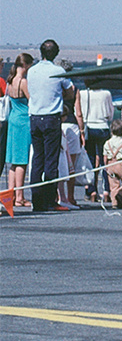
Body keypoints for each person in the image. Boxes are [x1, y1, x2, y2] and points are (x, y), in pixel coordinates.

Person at [28, 40, 75, 212]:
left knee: (37, 159)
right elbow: (70, 91)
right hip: (51, 118)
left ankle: (36, 200)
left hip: (35, 117)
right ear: (55, 53)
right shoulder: (58, 71)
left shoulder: (32, 71)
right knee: (51, 160)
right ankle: (49, 200)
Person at [6, 54, 33, 209]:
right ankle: (20, 197)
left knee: (13, 160)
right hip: (23, 120)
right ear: (26, 65)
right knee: (22, 159)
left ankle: (10, 194)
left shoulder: (10, 81)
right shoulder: (23, 82)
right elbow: (31, 101)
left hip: (13, 119)